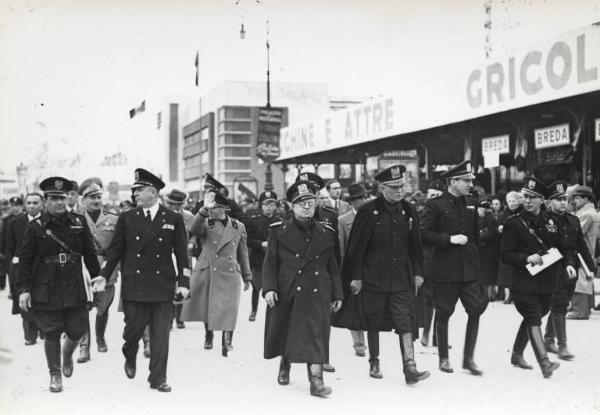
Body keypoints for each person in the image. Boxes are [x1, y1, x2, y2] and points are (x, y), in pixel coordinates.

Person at [335, 166, 430, 385]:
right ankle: (374, 361)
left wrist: (418, 272)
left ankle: (410, 366)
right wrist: (356, 277)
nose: (399, 191)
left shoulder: (408, 210)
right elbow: (356, 249)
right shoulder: (369, 211)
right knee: (374, 319)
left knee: (405, 318)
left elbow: (415, 245)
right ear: (382, 187)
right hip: (373, 276)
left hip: (401, 276)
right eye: (394, 187)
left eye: (401, 187)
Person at [100, 168, 190, 393]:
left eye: (139, 190)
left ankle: (158, 378)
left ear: (153, 192)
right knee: (133, 332)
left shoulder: (173, 218)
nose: (135, 195)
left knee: (161, 336)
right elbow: (115, 251)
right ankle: (129, 355)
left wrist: (184, 283)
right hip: (135, 284)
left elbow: (182, 254)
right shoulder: (127, 218)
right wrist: (103, 275)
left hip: (162, 284)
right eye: (134, 191)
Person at [16, 177, 104, 393]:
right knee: (52, 332)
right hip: (47, 286)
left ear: (68, 199)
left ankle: (67, 356)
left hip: (74, 284)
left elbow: (90, 255)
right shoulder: (36, 227)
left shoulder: (78, 222)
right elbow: (25, 260)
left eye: (62, 198)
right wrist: (24, 290)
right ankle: (55, 374)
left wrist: (96, 278)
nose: (58, 203)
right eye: (54, 198)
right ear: (46, 200)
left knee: (77, 330)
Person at [262, 180, 343, 397]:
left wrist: (337, 292)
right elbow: (270, 262)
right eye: (300, 203)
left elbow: (333, 264)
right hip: (289, 288)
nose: (307, 207)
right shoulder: (279, 231)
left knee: (316, 333)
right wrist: (269, 288)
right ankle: (285, 364)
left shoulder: (327, 231)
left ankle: (316, 380)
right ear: (291, 206)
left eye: (310, 202)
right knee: (289, 329)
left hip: (318, 289)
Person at [501, 177, 578, 378]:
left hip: (547, 282)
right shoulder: (514, 223)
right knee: (533, 316)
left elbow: (565, 247)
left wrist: (569, 264)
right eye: (525, 196)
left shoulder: (552, 221)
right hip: (523, 282)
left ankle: (517, 354)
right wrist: (526, 258)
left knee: (537, 314)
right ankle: (545, 363)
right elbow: (505, 255)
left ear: (542, 200)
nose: (527, 201)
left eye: (533, 197)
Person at [421, 160, 487, 375]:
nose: (470, 184)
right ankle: (443, 358)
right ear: (453, 181)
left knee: (476, 310)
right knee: (444, 312)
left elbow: (476, 237)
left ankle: (469, 359)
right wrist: (448, 239)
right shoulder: (436, 205)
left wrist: (478, 269)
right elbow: (424, 234)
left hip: (469, 270)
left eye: (470, 180)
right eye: (466, 180)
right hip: (445, 269)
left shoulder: (471, 204)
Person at [180, 190, 252, 356]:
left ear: (224, 208)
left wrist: (247, 275)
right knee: (209, 305)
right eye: (210, 207)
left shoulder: (238, 226)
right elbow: (193, 228)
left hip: (230, 271)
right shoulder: (205, 223)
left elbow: (243, 253)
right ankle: (209, 335)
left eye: (215, 207)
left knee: (230, 307)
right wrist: (203, 210)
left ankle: (227, 341)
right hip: (209, 269)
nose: (212, 210)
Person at [544, 181, 595, 360]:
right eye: (558, 199)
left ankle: (549, 338)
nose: (563, 202)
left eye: (565, 199)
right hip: (553, 269)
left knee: (562, 303)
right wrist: (567, 264)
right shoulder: (545, 219)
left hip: (571, 270)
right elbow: (549, 247)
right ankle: (562, 345)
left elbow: (581, 245)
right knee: (559, 303)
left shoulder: (573, 220)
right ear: (549, 202)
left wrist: (591, 267)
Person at [76, 178, 120, 362]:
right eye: (91, 197)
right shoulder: (76, 220)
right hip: (83, 269)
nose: (96, 200)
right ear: (82, 199)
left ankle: (100, 336)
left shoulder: (113, 219)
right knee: (81, 309)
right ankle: (84, 346)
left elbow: (118, 247)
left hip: (105, 270)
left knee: (102, 308)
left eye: (98, 196)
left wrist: (112, 269)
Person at [5, 193, 44, 345]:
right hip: (22, 268)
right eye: (29, 203)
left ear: (42, 204)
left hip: (42, 268)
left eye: (35, 202)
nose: (32, 206)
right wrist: (12, 269)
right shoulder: (15, 223)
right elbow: (9, 248)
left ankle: (44, 330)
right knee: (24, 300)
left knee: (43, 299)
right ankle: (30, 335)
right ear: (25, 205)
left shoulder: (48, 221)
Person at [336, 183, 369, 357]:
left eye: (364, 197)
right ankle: (359, 344)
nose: (362, 202)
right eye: (358, 199)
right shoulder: (343, 221)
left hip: (371, 271)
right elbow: (341, 251)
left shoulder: (374, 217)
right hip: (352, 272)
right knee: (355, 308)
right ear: (351, 202)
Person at [245, 190, 280, 322]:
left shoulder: (280, 221)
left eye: (272, 204)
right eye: (266, 204)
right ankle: (254, 310)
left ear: (275, 206)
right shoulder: (254, 221)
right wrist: (260, 244)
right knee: (256, 286)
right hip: (258, 259)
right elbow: (248, 240)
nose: (269, 207)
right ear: (261, 206)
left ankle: (273, 310)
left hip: (274, 260)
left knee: (273, 286)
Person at [163, 189, 195, 329]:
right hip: (167, 256)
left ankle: (180, 318)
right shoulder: (162, 215)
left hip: (183, 255)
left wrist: (192, 242)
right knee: (168, 287)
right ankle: (168, 320)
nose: (172, 206)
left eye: (176, 204)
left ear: (181, 204)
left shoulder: (188, 217)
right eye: (170, 203)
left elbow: (195, 233)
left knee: (183, 285)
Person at [568, 185, 600, 320]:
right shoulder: (589, 212)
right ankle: (586, 307)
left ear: (586, 199)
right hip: (587, 251)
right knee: (586, 278)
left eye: (578, 197)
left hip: (582, 252)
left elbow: (575, 232)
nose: (575, 200)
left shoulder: (586, 214)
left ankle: (580, 310)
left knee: (580, 280)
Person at [497, 191, 523, 304]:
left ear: (518, 201)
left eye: (514, 201)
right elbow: (497, 227)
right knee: (506, 271)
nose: (511, 203)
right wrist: (499, 229)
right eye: (509, 201)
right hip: (506, 244)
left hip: (519, 245)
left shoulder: (522, 212)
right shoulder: (503, 214)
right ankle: (508, 295)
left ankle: (517, 295)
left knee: (517, 270)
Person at [0, 196, 25, 291]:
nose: (15, 207)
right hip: (9, 250)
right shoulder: (6, 219)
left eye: (17, 205)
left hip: (21, 248)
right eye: (13, 205)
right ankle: (12, 290)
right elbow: (2, 235)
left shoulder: (26, 217)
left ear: (21, 206)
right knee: (10, 270)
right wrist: (1, 251)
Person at [478, 199, 499, 301]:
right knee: (485, 273)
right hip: (483, 250)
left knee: (489, 274)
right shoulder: (481, 218)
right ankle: (485, 294)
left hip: (489, 251)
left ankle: (490, 295)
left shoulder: (490, 219)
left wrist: (479, 235)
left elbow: (490, 234)